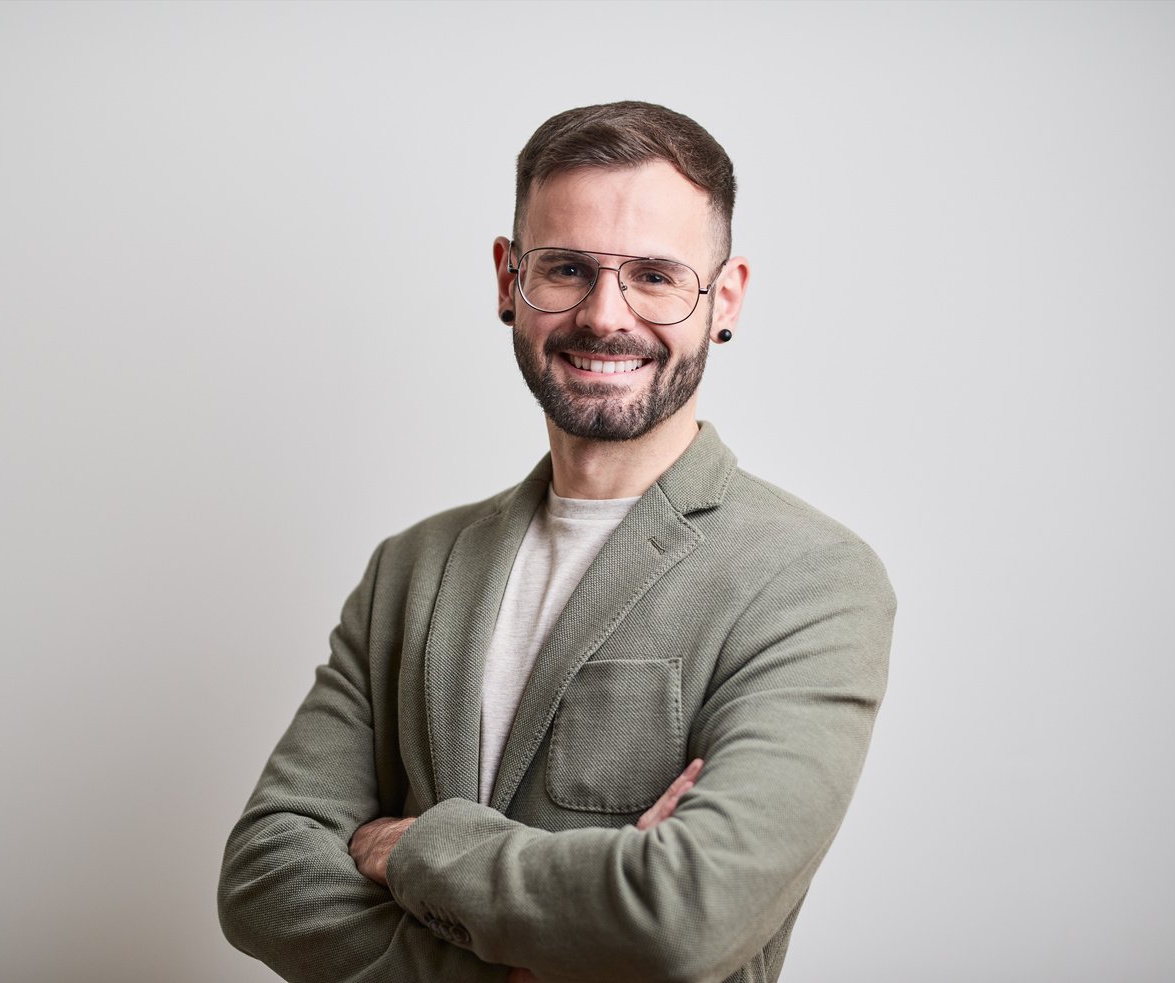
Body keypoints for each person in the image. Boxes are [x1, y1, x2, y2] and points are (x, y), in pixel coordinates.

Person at [218, 100, 897, 983]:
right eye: (568, 267)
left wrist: (417, 846)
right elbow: (264, 870)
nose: (605, 315)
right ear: (509, 279)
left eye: (655, 275)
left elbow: (685, 914)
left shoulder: (811, 579)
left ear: (722, 299)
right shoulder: (410, 569)